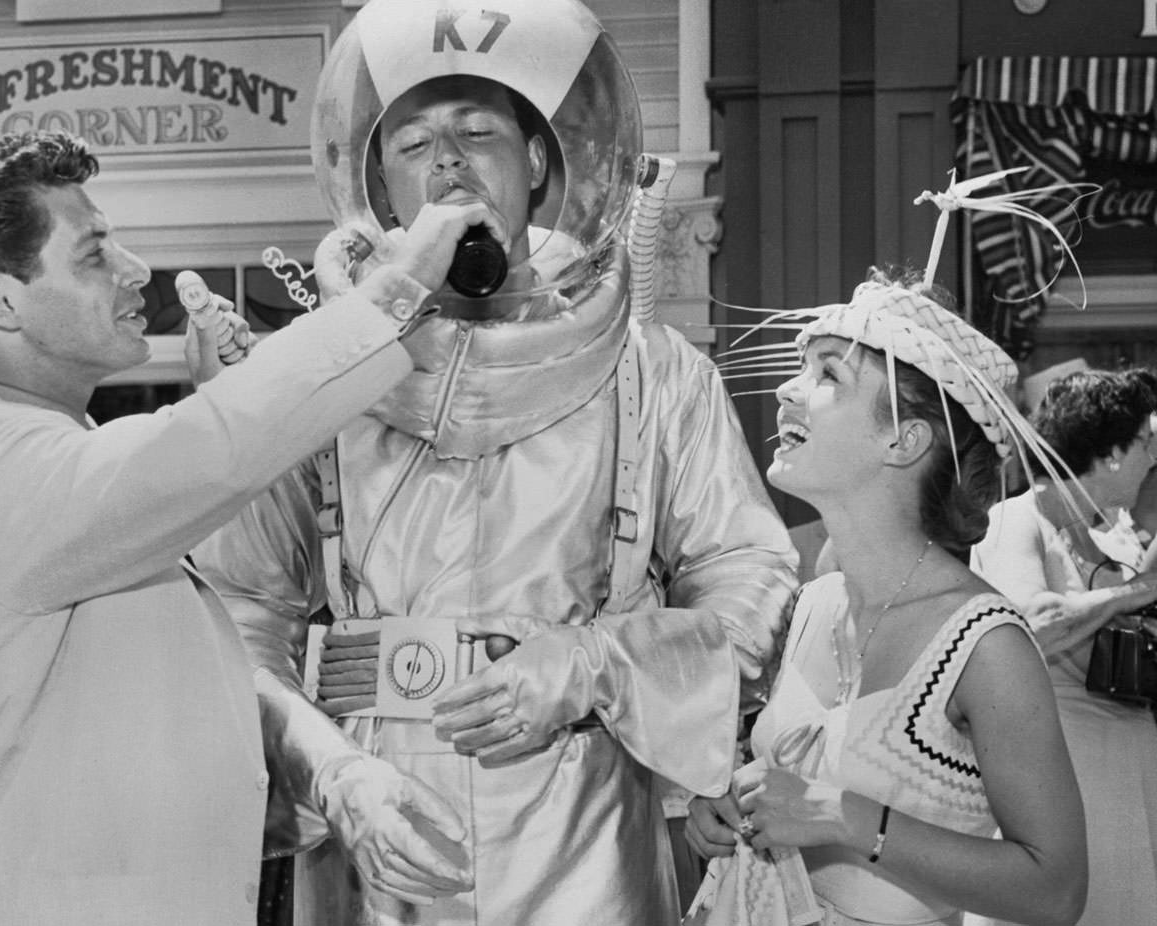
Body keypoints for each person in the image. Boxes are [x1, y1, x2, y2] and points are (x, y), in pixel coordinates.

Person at [191, 1, 799, 923]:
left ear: (539, 161)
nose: (448, 162)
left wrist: (596, 662)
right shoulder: (316, 377)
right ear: (376, 184)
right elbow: (238, 617)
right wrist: (335, 773)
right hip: (377, 840)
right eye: (414, 142)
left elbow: (750, 576)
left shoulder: (655, 373)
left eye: (479, 131)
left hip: (586, 833)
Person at [0, 128, 485, 925]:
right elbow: (205, 454)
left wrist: (339, 775)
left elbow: (187, 696)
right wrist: (398, 290)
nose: (139, 272)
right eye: (95, 253)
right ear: (1, 301)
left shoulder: (62, 463)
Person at [684, 269, 1088, 926]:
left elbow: (1057, 890)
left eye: (827, 376)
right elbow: (782, 797)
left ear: (904, 441)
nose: (788, 391)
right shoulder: (814, 604)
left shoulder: (986, 648)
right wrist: (724, 818)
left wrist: (840, 815)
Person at [969, 368, 1157, 926]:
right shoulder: (1013, 522)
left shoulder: (1117, 537)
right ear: (1114, 453)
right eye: (1147, 444)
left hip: (1132, 767)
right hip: (1064, 776)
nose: (1153, 460)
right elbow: (1033, 624)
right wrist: (1139, 591)